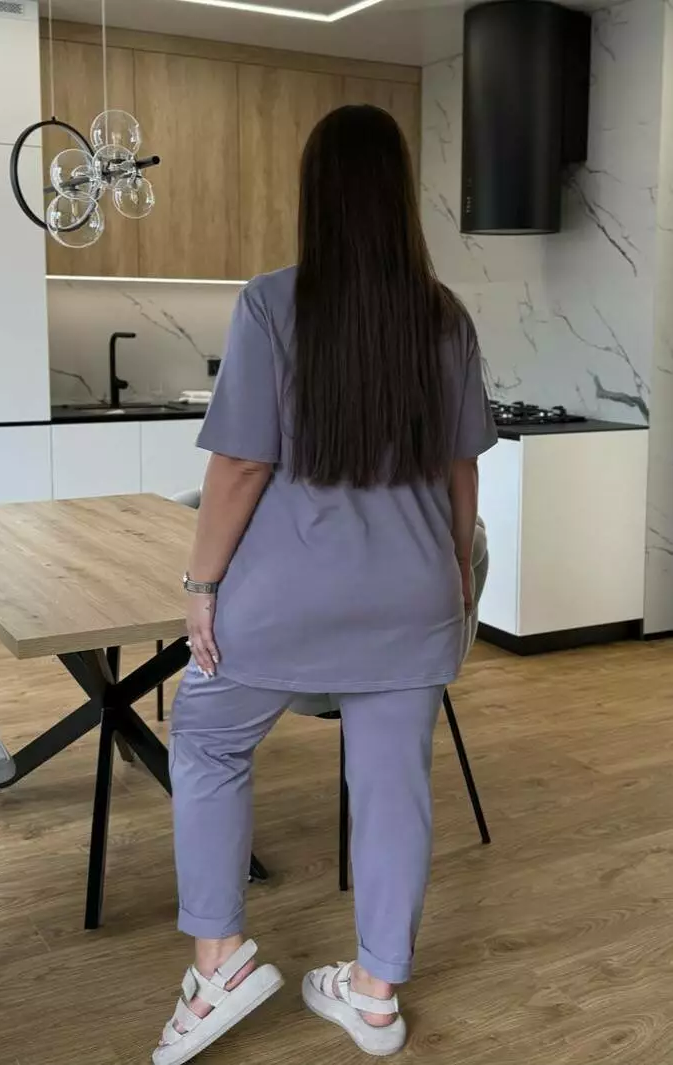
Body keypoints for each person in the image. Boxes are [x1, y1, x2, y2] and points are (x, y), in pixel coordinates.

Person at [153, 104, 497, 1065]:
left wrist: (200, 584)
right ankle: (376, 996)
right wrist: (456, 578)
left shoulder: (273, 303)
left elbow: (239, 466)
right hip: (411, 598)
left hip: (287, 600)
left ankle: (219, 964)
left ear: (315, 195)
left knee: (207, 736)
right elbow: (461, 472)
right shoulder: (444, 316)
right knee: (393, 788)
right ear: (399, 198)